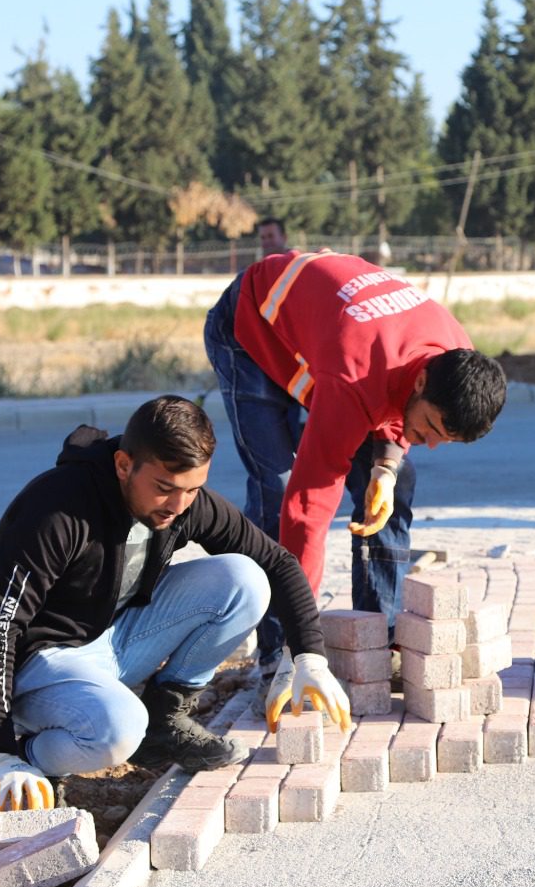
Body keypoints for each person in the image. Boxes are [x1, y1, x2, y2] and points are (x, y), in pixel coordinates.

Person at [0, 395, 350, 811]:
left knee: (244, 579)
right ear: (124, 465)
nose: (178, 506)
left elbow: (277, 562)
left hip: (109, 638)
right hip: (38, 663)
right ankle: (36, 756)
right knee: (119, 731)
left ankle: (165, 720)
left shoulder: (182, 504)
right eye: (164, 489)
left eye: (192, 490)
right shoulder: (57, 510)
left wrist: (309, 659)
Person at [204, 250, 507, 672]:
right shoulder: (355, 377)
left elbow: (400, 396)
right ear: (422, 382)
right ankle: (278, 656)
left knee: (395, 486)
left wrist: (386, 466)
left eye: (446, 439)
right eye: (433, 428)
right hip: (251, 328)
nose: (433, 444)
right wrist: (303, 650)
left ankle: (376, 642)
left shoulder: (455, 357)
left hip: (332, 339)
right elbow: (307, 509)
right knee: (280, 488)